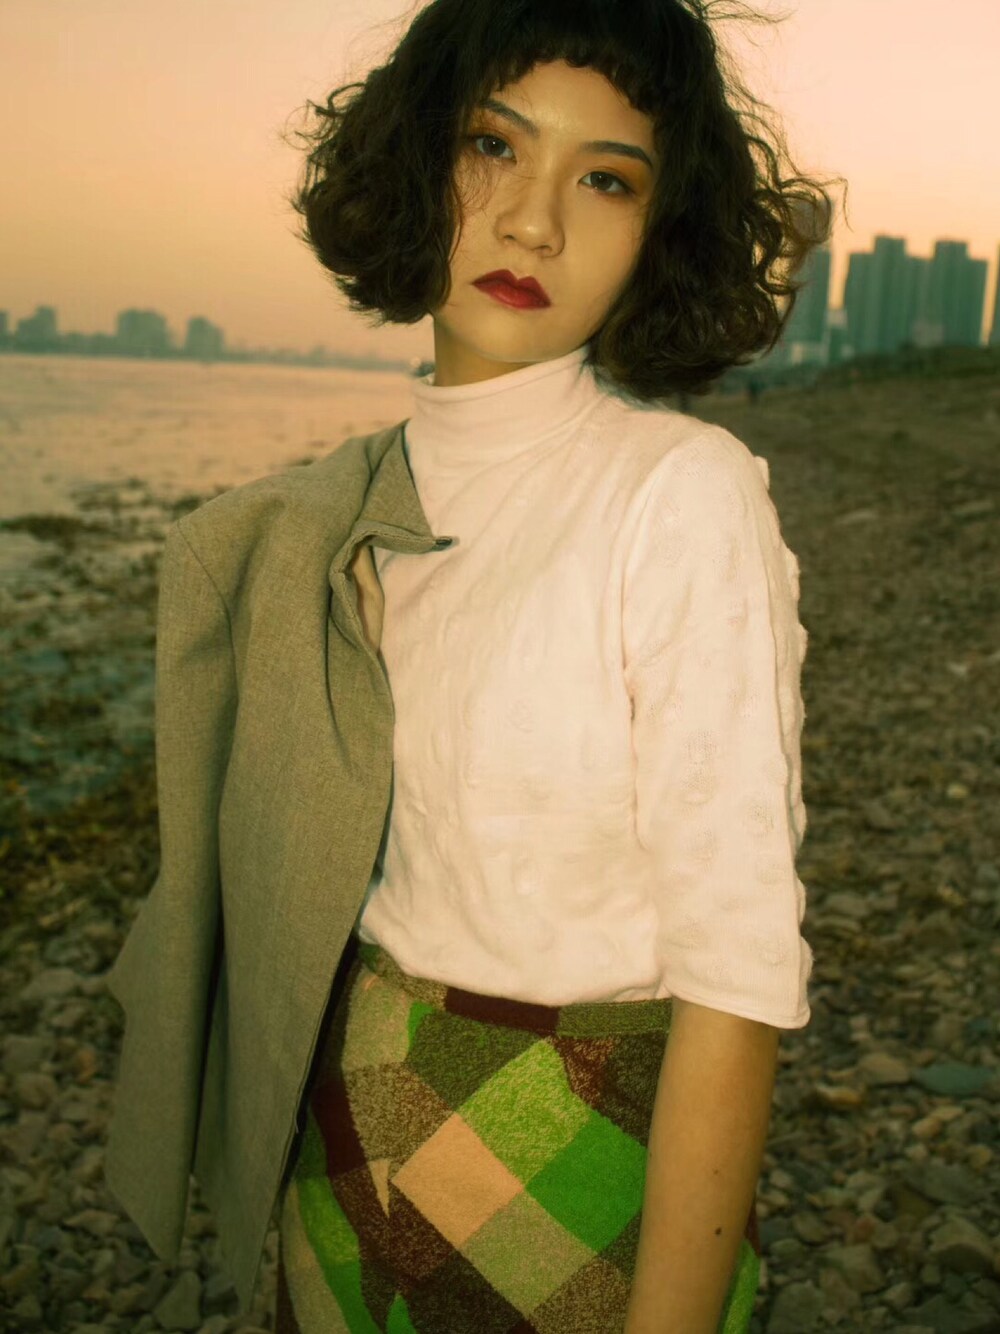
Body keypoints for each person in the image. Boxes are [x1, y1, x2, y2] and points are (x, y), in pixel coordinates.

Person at [104, 1, 836, 1331]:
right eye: (494, 147)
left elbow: (737, 975)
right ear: (417, 157)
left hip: (574, 1150)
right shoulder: (343, 513)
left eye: (605, 180)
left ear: (659, 229)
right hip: (340, 1137)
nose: (534, 223)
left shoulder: (677, 493)